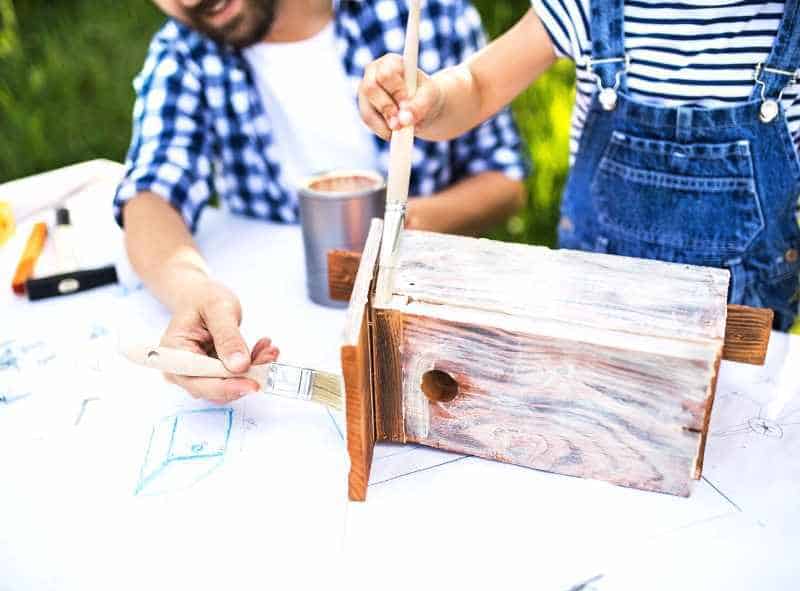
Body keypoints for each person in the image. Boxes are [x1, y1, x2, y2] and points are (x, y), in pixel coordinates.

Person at [114, 0, 529, 403]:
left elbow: (505, 181)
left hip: (422, 321)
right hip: (284, 327)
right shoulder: (185, 53)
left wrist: (402, 229)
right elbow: (150, 196)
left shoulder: (423, 12)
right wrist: (192, 291)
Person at [359, 1, 800, 331]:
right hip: (591, 317)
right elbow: (477, 85)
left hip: (742, 335)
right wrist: (432, 101)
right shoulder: (587, 6)